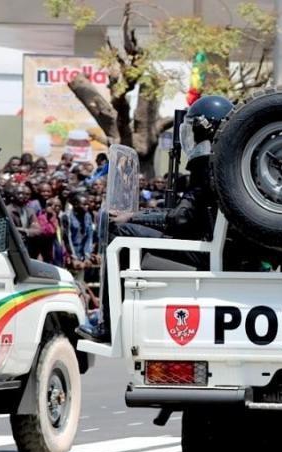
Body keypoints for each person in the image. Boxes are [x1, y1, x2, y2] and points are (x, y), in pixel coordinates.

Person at [77, 94, 233, 342]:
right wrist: (138, 216)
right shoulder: (231, 165)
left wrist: (133, 217)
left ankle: (108, 324)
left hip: (204, 249)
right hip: (221, 249)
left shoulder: (206, 167)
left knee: (122, 234)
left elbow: (181, 219)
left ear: (205, 130)